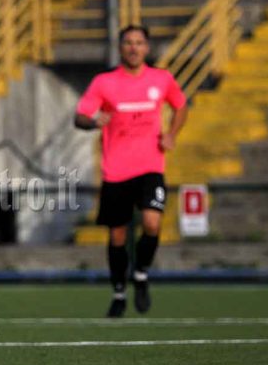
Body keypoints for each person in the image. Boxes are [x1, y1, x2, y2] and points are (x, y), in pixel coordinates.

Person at [74, 25, 188, 318]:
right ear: (120, 47)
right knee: (117, 237)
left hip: (151, 166)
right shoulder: (104, 82)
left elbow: (181, 105)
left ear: (147, 48)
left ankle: (141, 273)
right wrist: (93, 122)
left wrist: (172, 134)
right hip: (116, 171)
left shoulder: (161, 79)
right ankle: (119, 292)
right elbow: (80, 117)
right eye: (128, 43)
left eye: (139, 43)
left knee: (152, 223)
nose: (134, 48)